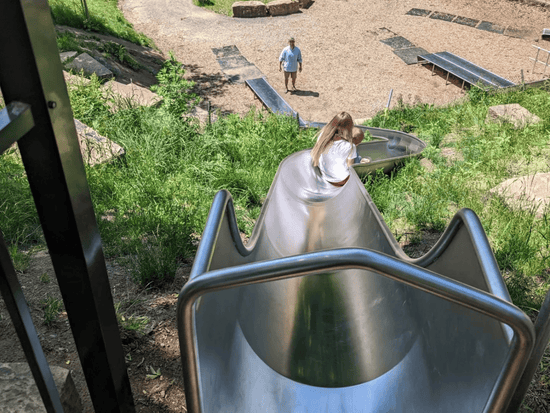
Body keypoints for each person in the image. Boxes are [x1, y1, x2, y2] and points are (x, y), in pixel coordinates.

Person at [311, 112, 362, 187]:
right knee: (357, 157)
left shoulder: (322, 137)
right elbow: (351, 167)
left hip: (326, 177)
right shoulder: (349, 146)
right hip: (341, 180)